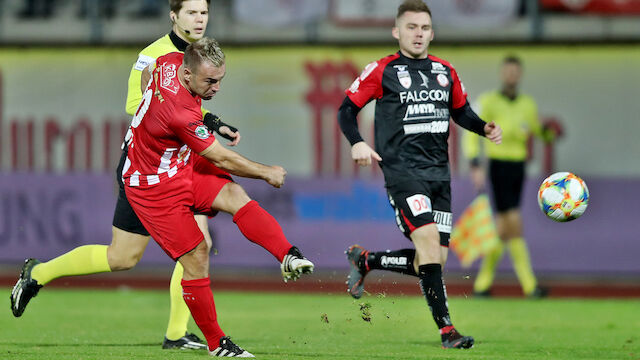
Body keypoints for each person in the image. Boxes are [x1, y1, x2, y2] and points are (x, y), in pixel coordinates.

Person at [9, 0, 313, 351]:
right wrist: (261, 169)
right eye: (191, 13)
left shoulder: (184, 59)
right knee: (128, 257)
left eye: (204, 12)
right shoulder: (155, 54)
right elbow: (139, 105)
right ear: (174, 16)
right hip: (149, 169)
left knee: (204, 236)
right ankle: (40, 274)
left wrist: (210, 120)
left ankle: (179, 330)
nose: (199, 19)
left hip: (179, 159)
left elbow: (192, 103)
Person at [337, 0, 502, 349]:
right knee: (427, 241)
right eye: (411, 27)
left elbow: (461, 112)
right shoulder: (382, 70)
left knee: (433, 260)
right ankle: (447, 330)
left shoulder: (445, 71)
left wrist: (482, 128)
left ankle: (366, 260)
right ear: (397, 31)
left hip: (439, 175)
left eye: (424, 28)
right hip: (402, 171)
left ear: (432, 32)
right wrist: (357, 143)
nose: (418, 34)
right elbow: (346, 110)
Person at [122, 37, 278, 357]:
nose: (217, 87)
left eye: (221, 79)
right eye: (210, 80)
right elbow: (222, 158)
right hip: (149, 183)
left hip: (170, 168)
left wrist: (153, 108)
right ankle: (212, 342)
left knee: (210, 231)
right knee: (132, 257)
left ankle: (287, 255)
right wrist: (266, 172)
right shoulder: (179, 113)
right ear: (189, 74)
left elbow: (149, 70)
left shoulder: (168, 62)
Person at [462, 55, 552, 298]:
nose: (512, 75)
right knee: (513, 221)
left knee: (503, 228)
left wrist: (549, 133)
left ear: (519, 75)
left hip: (518, 167)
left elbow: (537, 129)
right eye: (508, 71)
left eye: (516, 71)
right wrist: (474, 163)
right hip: (499, 165)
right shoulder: (489, 101)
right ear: (502, 74)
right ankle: (530, 285)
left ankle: (482, 285)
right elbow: (472, 132)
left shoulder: (527, 103)